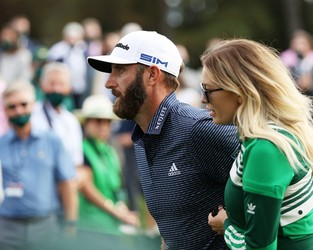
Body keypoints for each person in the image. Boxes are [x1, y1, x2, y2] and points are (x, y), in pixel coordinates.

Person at [87, 30, 239, 249]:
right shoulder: (142, 138)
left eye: (120, 71)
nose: (109, 83)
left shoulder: (200, 130)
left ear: (152, 75)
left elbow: (282, 187)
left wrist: (237, 225)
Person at [201, 39, 313, 250]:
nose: (204, 100)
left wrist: (227, 225)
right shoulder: (276, 134)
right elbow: (306, 224)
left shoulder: (266, 148)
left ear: (239, 92)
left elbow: (259, 247)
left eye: (207, 90)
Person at [0, 80, 77, 249]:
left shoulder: (52, 141)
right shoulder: (1, 144)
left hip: (44, 225)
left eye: (23, 104)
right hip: (6, 228)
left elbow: (68, 184)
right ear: (5, 110)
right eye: (12, 107)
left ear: (33, 105)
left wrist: (71, 224)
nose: (18, 110)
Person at [75, 94, 140, 236]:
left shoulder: (110, 151)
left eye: (107, 122)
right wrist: (118, 213)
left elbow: (117, 186)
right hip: (90, 228)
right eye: (98, 121)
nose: (103, 126)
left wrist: (123, 210)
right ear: (86, 123)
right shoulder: (80, 150)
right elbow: (87, 188)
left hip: (111, 228)